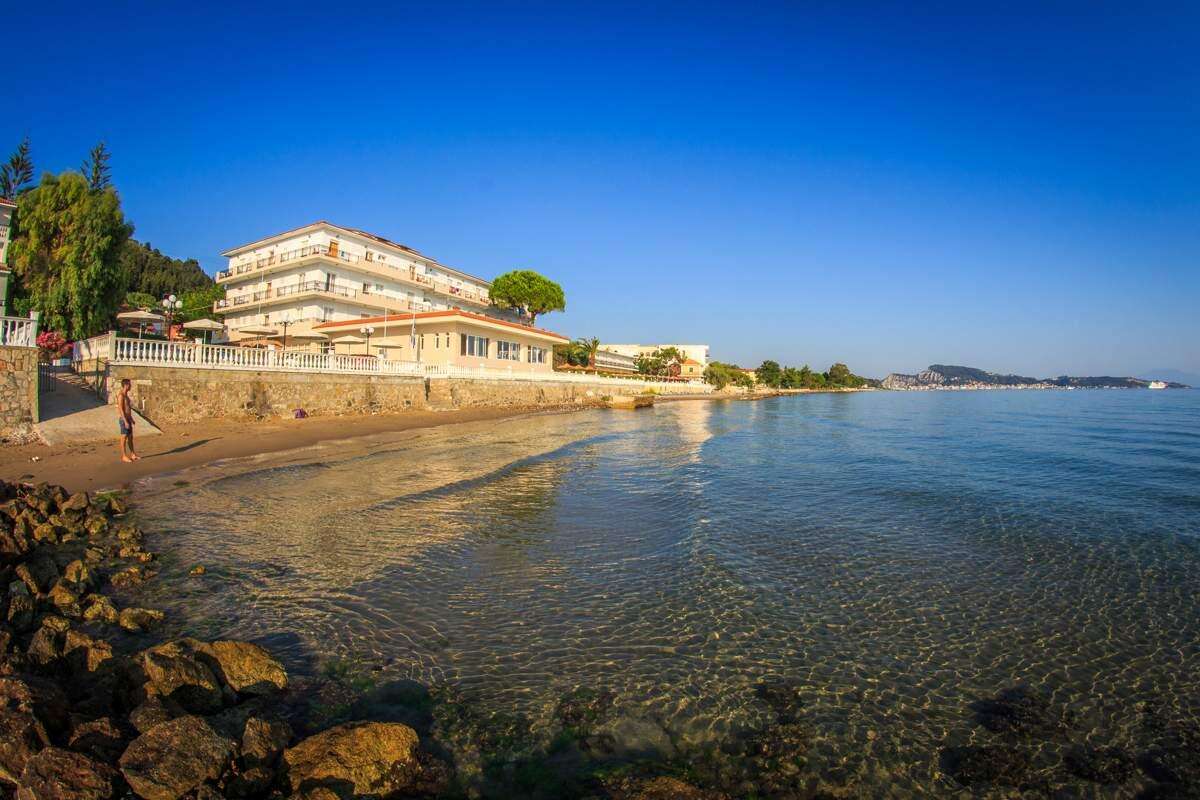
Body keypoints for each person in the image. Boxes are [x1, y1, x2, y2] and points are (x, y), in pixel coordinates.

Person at [117, 378, 139, 463]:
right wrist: (125, 421)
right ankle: (124, 456)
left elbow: (128, 408)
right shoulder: (121, 395)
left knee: (130, 437)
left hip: (128, 419)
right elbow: (121, 409)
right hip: (124, 420)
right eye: (130, 384)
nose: (131, 386)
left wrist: (131, 419)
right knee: (124, 437)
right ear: (126, 385)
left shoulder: (126, 396)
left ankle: (133, 454)